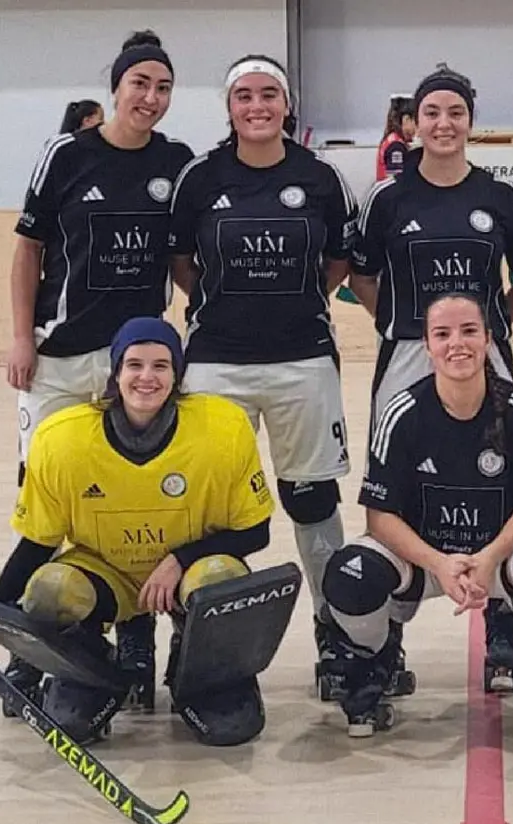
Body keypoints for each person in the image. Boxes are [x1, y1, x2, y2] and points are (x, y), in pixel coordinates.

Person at [0, 318, 279, 747]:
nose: (147, 377)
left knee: (222, 577)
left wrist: (180, 559)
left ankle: (202, 673)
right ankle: (91, 671)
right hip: (104, 573)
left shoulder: (224, 428)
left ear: (177, 375)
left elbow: (255, 531)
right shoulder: (61, 439)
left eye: (161, 366)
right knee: (50, 589)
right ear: (115, 372)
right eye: (134, 365)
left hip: (185, 576)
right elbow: (36, 545)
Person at [348, 63, 513, 692]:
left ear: (469, 121)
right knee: (397, 490)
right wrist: (407, 326)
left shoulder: (499, 196)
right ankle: (388, 634)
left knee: (500, 479)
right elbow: (360, 276)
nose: (443, 123)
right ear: (412, 124)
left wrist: (486, 328)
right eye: (431, 113)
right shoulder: (388, 197)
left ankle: (505, 629)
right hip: (408, 348)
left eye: (455, 113)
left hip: (482, 353)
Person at [167, 54, 360, 693]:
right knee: (209, 512)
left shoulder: (322, 178)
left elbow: (336, 264)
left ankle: (338, 636)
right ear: (229, 106)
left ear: (286, 104)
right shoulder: (200, 178)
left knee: (310, 500)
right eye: (245, 95)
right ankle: (199, 641)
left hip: (302, 359)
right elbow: (183, 264)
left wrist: (294, 303)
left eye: (269, 94)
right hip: (217, 363)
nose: (257, 106)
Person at [318, 293, 513, 736]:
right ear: (427, 345)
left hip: (500, 558)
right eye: (442, 334)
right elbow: (379, 517)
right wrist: (440, 564)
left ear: (488, 339)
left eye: (469, 331)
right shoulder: (401, 412)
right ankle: (373, 662)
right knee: (350, 574)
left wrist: (487, 559)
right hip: (426, 561)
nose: (456, 344)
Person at [9, 30, 193, 484]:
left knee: (126, 485)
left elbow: (182, 257)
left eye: (163, 87)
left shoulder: (177, 161)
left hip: (135, 360)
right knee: (45, 482)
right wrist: (20, 338)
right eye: (140, 82)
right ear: (116, 88)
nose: (151, 97)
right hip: (59, 354)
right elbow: (28, 249)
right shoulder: (65, 155)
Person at [376, 94, 416, 181]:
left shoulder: (392, 139)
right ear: (406, 119)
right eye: (416, 122)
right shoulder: (396, 146)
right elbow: (397, 181)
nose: (417, 128)